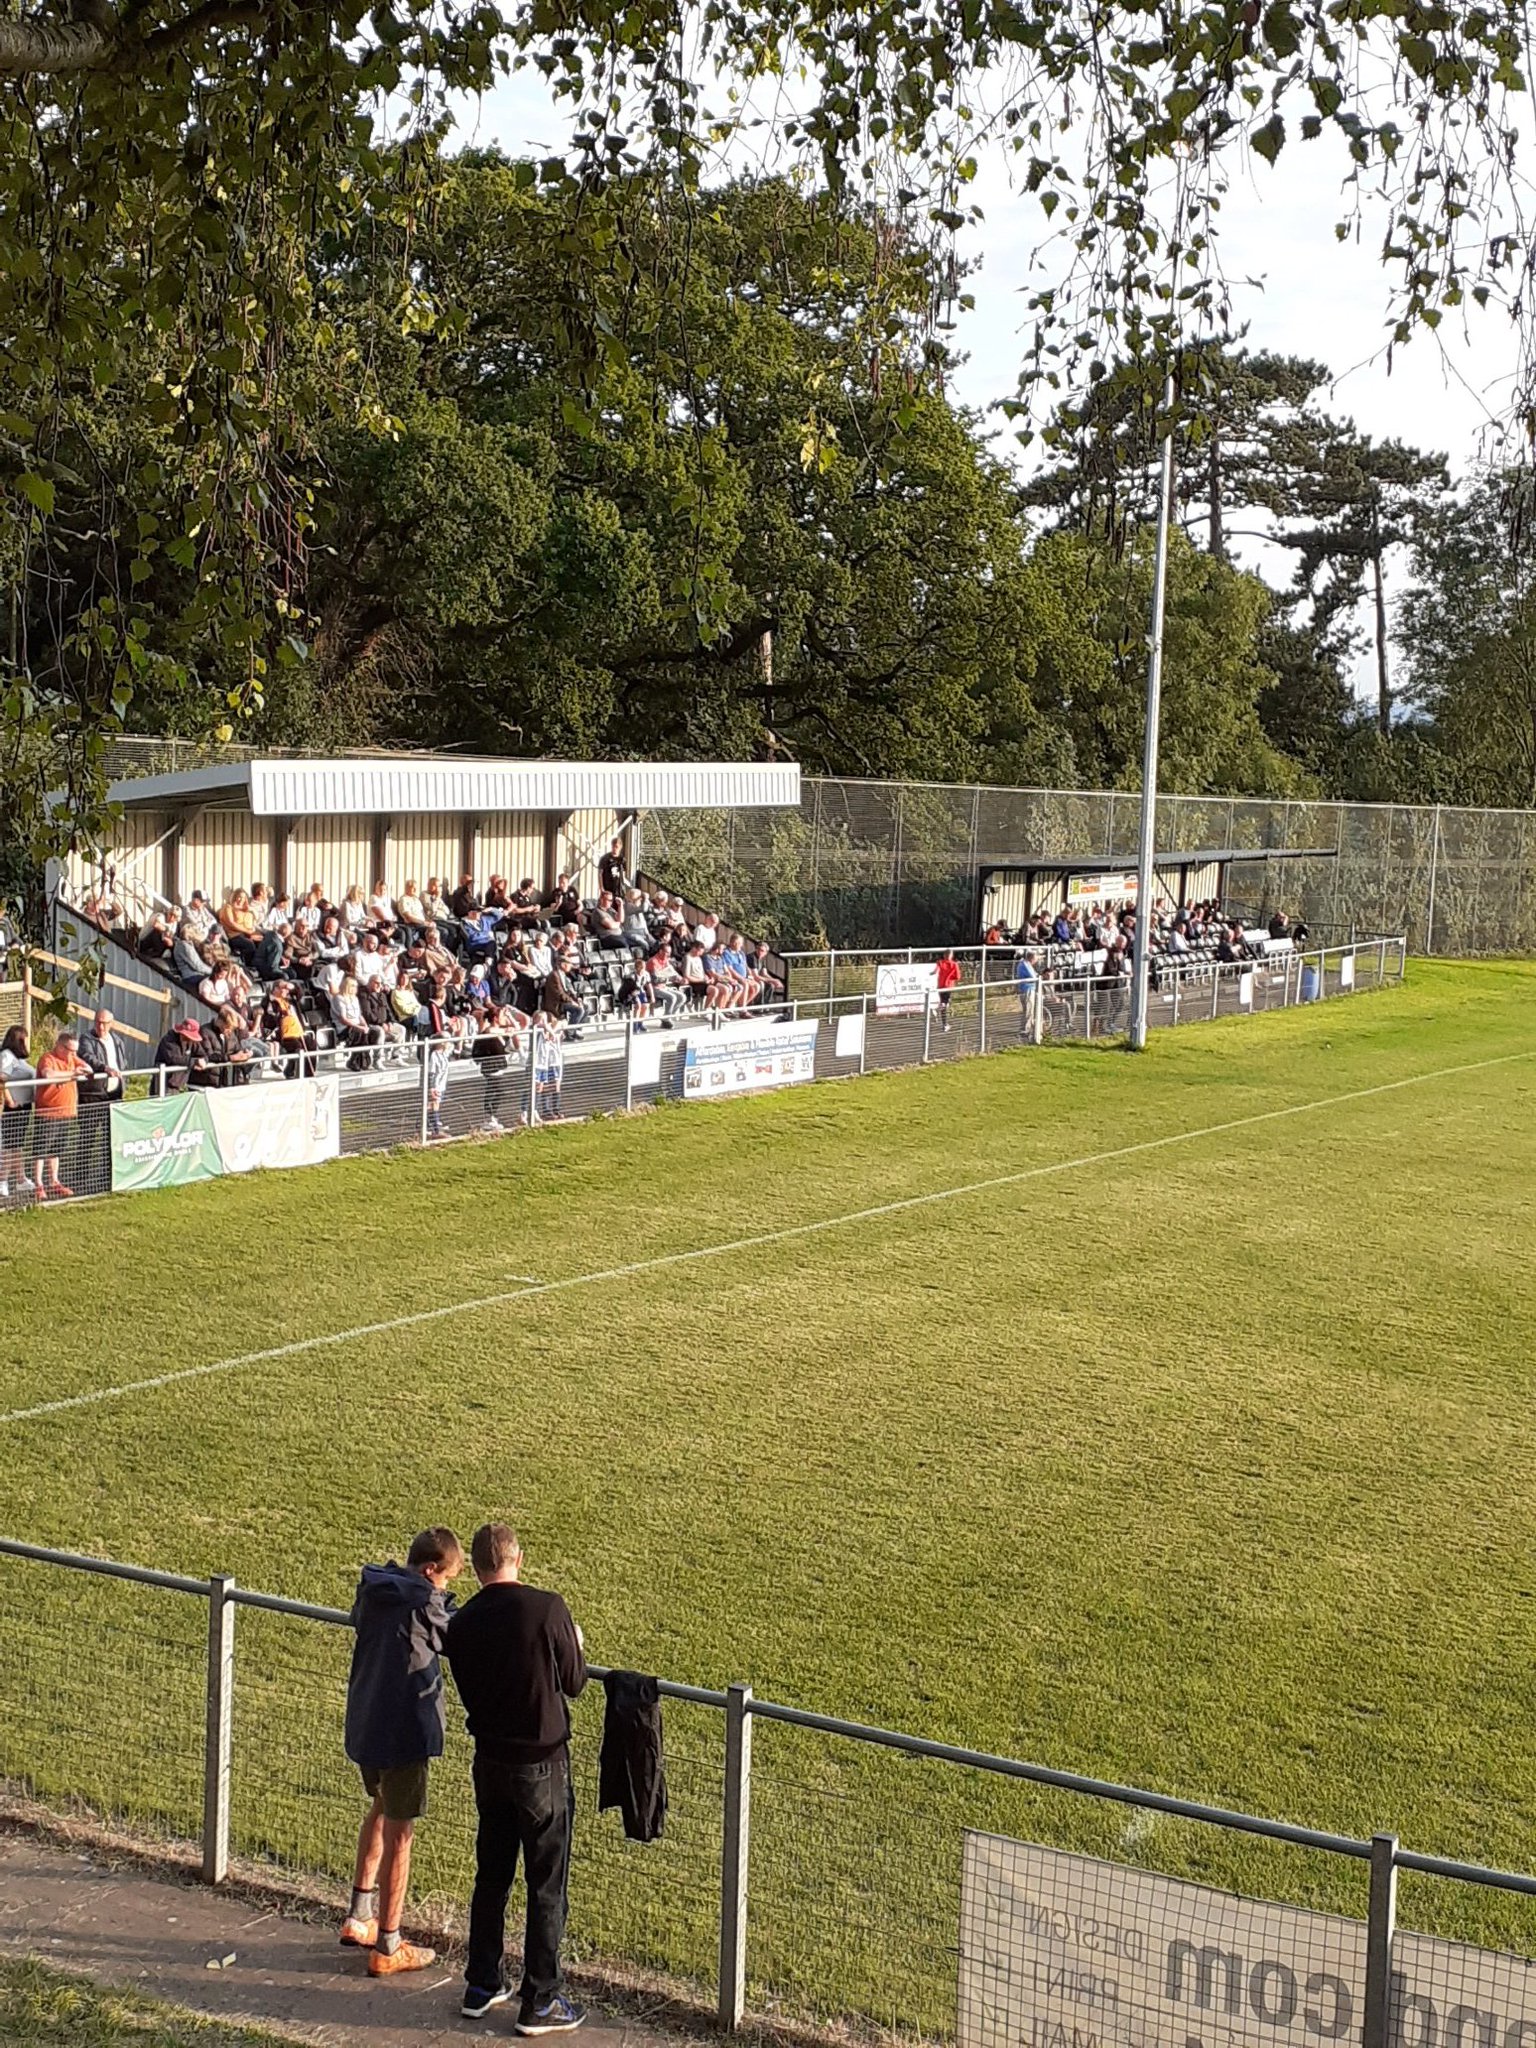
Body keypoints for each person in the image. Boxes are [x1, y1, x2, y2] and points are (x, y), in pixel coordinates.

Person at [444, 1522, 587, 2031]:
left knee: (492, 1875)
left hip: (489, 1762)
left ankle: (482, 1982)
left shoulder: (461, 1624)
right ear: (518, 1559)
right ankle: (541, 1998)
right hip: (542, 1766)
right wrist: (575, 1645)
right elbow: (574, 1681)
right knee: (546, 1884)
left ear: (476, 1567)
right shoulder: (547, 1608)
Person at [341, 1527, 465, 1977]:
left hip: (367, 1722)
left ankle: (360, 1916)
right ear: (431, 1570)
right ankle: (389, 1944)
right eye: (446, 1579)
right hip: (404, 1732)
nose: (445, 1587)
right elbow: (455, 1634)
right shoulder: (424, 1603)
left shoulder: (376, 1588)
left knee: (379, 1807)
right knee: (401, 1832)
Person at [31, 1030, 90, 1200]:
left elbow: (88, 1068)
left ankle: (54, 1180)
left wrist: (79, 1069)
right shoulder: (48, 1058)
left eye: (75, 1051)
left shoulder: (72, 1059)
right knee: (41, 1149)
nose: (73, 1054)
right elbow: (48, 1074)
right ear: (60, 1046)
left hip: (66, 1111)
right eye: (70, 1050)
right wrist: (72, 1074)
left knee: (56, 1149)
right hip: (48, 1112)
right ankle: (38, 1183)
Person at [77, 1007, 127, 1188]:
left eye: (105, 1023)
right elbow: (88, 1057)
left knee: (111, 1135)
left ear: (111, 1024)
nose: (101, 1027)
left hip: (113, 1094)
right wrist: (105, 1068)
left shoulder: (117, 1041)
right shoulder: (86, 1039)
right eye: (98, 1022)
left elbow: (122, 1062)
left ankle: (108, 1174)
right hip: (92, 1095)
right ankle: (80, 1177)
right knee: (88, 1136)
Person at [0, 1024, 36, 1207]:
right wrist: (9, 1100)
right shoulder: (7, 1056)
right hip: (13, 1107)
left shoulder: (19, 1059)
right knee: (9, 1145)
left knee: (17, 1145)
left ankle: (21, 1178)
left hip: (24, 1106)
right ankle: (3, 1181)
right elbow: (1, 1078)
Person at [1014, 949, 1040, 1038]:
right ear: (1031, 958)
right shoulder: (1025, 964)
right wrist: (1038, 976)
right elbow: (1033, 976)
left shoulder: (1025, 964)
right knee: (1028, 1009)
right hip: (1027, 989)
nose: (1036, 961)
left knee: (1028, 1010)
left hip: (1027, 989)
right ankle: (1026, 1030)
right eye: (1035, 959)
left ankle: (1027, 1028)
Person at [936, 950, 961, 1032]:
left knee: (943, 1002)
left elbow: (935, 971)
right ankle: (945, 1024)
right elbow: (958, 976)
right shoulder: (954, 964)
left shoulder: (940, 962)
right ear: (951, 955)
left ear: (944, 955)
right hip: (948, 986)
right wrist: (950, 978)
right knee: (944, 1003)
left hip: (941, 985)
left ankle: (944, 1022)